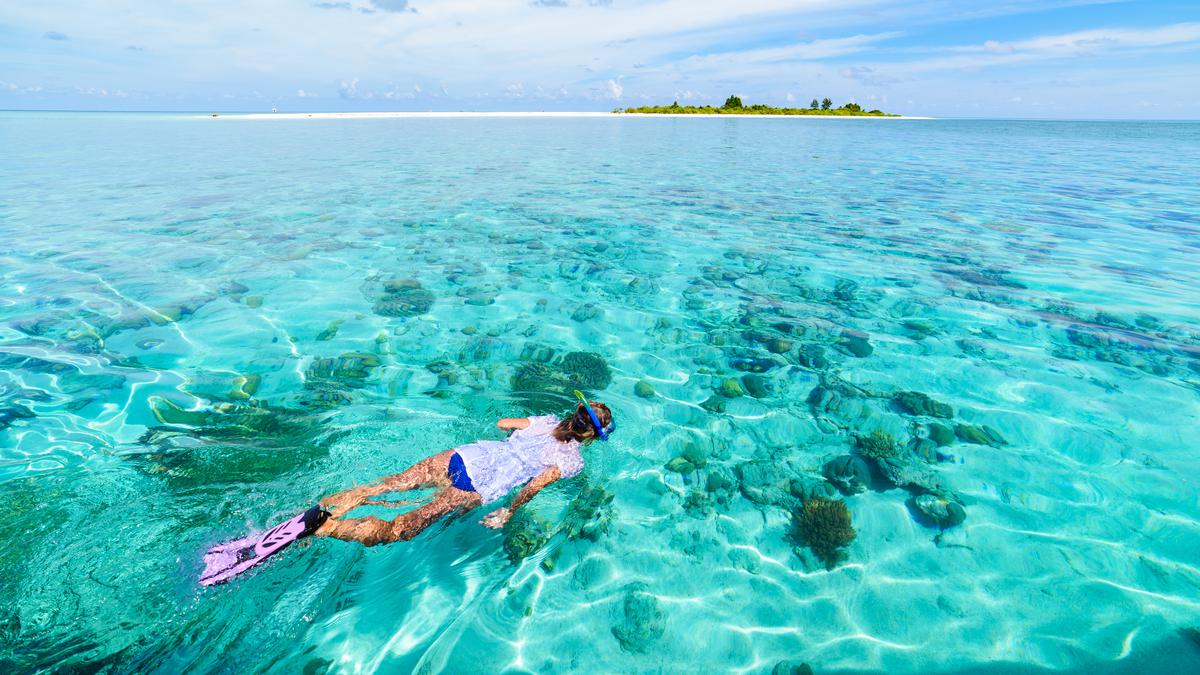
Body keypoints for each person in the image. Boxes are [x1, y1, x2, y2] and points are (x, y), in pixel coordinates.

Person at [314, 394, 613, 546]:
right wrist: (508, 512)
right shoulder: (571, 461)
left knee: (388, 485)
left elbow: (503, 424)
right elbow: (533, 486)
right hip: (478, 484)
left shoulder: (545, 421)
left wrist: (515, 442)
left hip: (466, 455)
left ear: (577, 412)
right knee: (400, 530)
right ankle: (328, 528)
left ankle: (328, 506)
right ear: (590, 437)